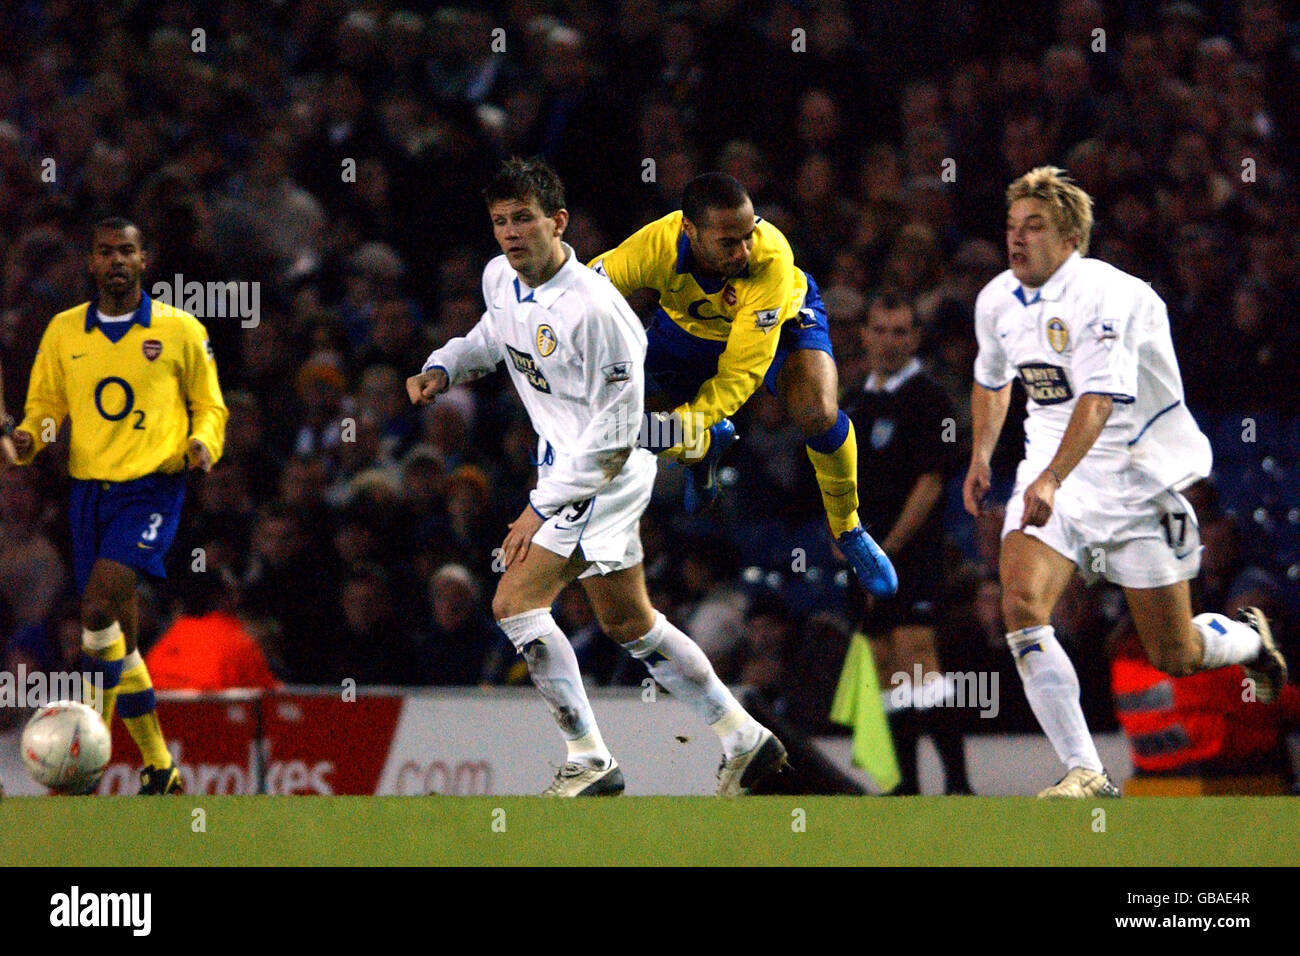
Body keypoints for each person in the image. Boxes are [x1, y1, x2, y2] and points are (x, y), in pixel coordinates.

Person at [406, 157, 786, 796]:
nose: (510, 233)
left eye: (524, 218)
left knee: (514, 603)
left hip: (604, 471)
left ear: (557, 222)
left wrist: (537, 509)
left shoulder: (597, 311)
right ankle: (745, 739)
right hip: (569, 466)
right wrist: (444, 367)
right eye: (500, 221)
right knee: (630, 622)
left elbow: (614, 436)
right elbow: (493, 337)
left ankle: (589, 759)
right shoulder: (500, 276)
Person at [962, 167, 1287, 798]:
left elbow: (1100, 400)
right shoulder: (997, 299)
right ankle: (1086, 770)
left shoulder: (1110, 296)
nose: (1017, 240)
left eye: (1034, 227)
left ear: (1071, 238)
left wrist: (1054, 476)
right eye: (1011, 227)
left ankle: (1250, 640)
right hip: (1052, 474)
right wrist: (982, 455)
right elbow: (992, 377)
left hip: (1137, 482)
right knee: (1021, 606)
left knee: (1176, 652)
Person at [589, 172, 897, 598]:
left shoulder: (770, 260)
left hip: (779, 324)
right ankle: (701, 446)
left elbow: (742, 373)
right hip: (688, 330)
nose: (743, 250)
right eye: (728, 243)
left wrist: (683, 422)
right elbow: (582, 297)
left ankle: (848, 529)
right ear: (689, 231)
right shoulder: (653, 245)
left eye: (749, 235)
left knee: (819, 414)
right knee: (622, 417)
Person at [10, 216, 228, 794]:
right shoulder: (63, 332)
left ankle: (87, 754)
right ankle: (161, 767)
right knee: (117, 640)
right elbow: (45, 409)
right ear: (91, 262)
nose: (116, 262)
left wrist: (203, 443)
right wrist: (31, 439)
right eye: (105, 252)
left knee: (98, 604)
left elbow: (210, 406)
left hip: (152, 488)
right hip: (89, 493)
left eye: (126, 252)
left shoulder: (179, 329)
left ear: (144, 260)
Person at [844, 291, 971, 794]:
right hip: (865, 553)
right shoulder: (853, 400)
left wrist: (887, 547)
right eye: (880, 330)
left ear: (915, 338)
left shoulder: (931, 400)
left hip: (912, 552)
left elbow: (932, 481)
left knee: (918, 655)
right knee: (884, 660)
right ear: (864, 335)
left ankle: (959, 783)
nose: (889, 341)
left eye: (900, 332)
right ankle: (908, 787)